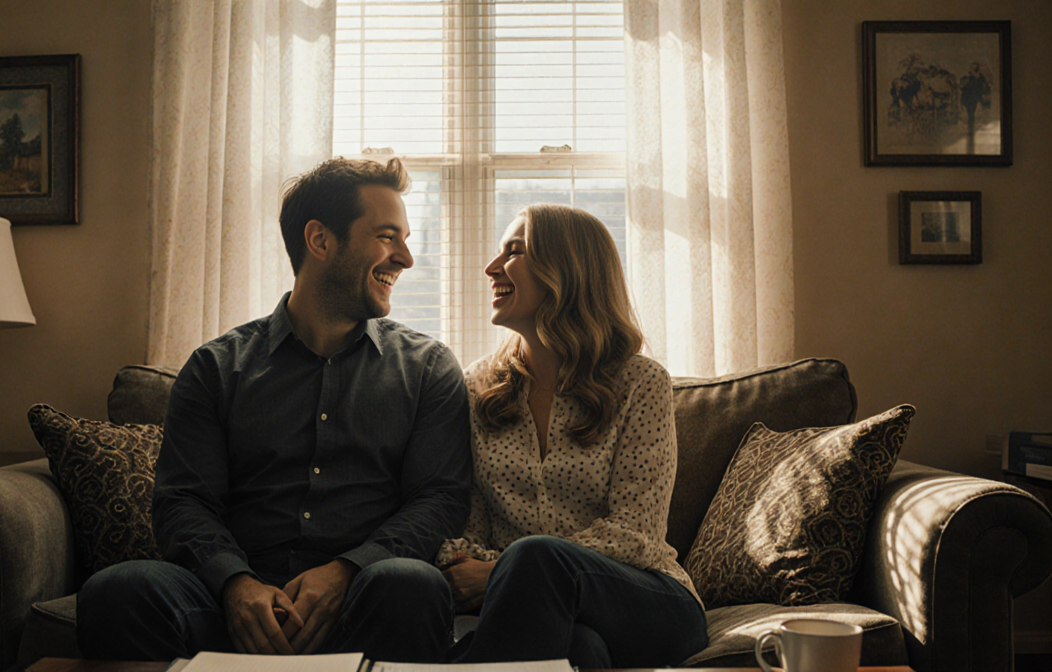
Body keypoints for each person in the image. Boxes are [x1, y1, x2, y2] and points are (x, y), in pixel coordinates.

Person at [77, 158, 472, 662]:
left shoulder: (427, 368)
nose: (406, 258)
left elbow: (439, 499)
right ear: (320, 241)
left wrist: (347, 571)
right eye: (388, 236)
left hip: (364, 600)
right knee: (119, 589)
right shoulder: (215, 368)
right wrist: (234, 584)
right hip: (231, 610)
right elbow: (183, 501)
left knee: (412, 584)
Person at [437, 204, 708, 668]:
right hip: (542, 613)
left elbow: (636, 532)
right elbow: (470, 527)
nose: (491, 268)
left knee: (536, 557)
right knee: (582, 650)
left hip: (647, 598)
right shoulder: (477, 388)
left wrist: (505, 571)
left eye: (513, 251)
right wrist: (496, 570)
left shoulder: (641, 383)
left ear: (565, 270)